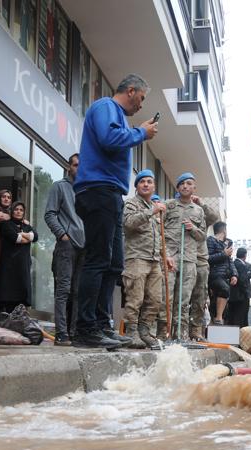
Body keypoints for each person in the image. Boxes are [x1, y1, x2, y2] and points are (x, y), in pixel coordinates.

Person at [73, 74, 158, 349]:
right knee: (98, 260)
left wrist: (137, 132)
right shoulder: (106, 107)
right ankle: (85, 328)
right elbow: (109, 138)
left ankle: (101, 324)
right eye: (141, 98)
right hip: (98, 189)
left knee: (113, 264)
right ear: (130, 91)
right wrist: (140, 133)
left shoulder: (117, 115)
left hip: (110, 193)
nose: (141, 105)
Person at [121, 169, 174, 348]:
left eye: (149, 182)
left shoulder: (155, 208)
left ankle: (144, 332)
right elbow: (128, 224)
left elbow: (159, 236)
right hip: (137, 257)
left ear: (154, 187)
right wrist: (151, 211)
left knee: (155, 300)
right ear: (136, 186)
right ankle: (131, 333)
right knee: (135, 299)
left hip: (154, 261)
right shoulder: (132, 203)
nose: (146, 184)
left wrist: (166, 256)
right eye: (142, 181)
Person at [157, 173, 206, 340]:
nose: (185, 186)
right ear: (177, 188)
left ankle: (181, 334)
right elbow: (158, 229)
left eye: (189, 183)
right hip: (170, 257)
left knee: (184, 298)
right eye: (182, 184)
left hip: (189, 259)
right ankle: (163, 333)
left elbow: (202, 237)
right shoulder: (168, 205)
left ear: (194, 188)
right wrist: (164, 252)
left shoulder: (198, 210)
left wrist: (193, 228)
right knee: (166, 296)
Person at [45, 153, 85, 346]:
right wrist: (63, 235)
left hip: (84, 247)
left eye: (82, 165)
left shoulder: (86, 190)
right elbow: (49, 214)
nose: (79, 168)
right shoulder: (59, 186)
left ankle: (74, 332)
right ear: (69, 167)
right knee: (63, 290)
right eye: (76, 165)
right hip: (66, 245)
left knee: (78, 292)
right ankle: (61, 333)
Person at [188, 193, 220, 340]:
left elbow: (214, 217)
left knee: (200, 297)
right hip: (182, 258)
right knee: (181, 298)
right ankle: (180, 330)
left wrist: (201, 203)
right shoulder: (177, 213)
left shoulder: (201, 214)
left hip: (200, 259)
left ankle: (196, 330)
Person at [0, 202, 37, 313]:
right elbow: (15, 238)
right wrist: (27, 236)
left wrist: (22, 234)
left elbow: (35, 236)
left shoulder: (26, 226)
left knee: (22, 293)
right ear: (12, 211)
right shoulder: (6, 224)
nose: (19, 212)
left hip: (23, 264)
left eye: (21, 210)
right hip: (10, 265)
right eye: (16, 209)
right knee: (9, 294)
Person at [207, 222, 238, 324]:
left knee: (221, 300)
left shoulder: (226, 245)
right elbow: (208, 258)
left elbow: (230, 261)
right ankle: (218, 318)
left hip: (225, 277)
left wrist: (234, 274)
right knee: (224, 289)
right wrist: (223, 254)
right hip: (214, 275)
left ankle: (217, 320)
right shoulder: (210, 240)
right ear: (224, 230)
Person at [227, 247, 251, 327]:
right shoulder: (241, 265)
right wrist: (246, 292)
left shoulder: (232, 264)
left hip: (232, 296)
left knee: (232, 318)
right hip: (241, 297)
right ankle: (240, 334)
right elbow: (243, 281)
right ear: (245, 255)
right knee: (241, 318)